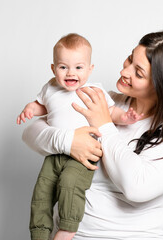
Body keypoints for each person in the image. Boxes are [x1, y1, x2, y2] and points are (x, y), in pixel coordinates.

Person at [22, 30, 163, 240]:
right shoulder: (107, 101)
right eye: (130, 58)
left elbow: (135, 187)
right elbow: (31, 132)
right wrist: (68, 141)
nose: (124, 71)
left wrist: (103, 124)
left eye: (138, 72)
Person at [17, 33, 143, 240]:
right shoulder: (50, 87)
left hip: (83, 154)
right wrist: (29, 109)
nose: (70, 73)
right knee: (42, 190)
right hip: (55, 154)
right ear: (53, 68)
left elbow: (110, 113)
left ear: (90, 69)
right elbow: (40, 106)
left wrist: (126, 117)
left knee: (70, 183)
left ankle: (67, 228)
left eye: (78, 67)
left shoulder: (94, 91)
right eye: (63, 67)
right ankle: (39, 232)